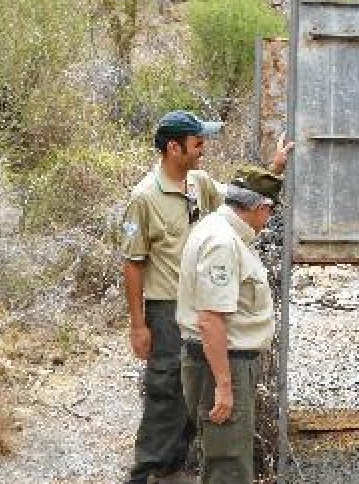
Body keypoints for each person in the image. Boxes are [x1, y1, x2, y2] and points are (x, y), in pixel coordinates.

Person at [119, 111, 288, 484]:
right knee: (166, 394)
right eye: (197, 143)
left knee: (197, 391)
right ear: (173, 147)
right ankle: (150, 471)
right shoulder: (144, 198)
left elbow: (239, 201)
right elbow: (132, 264)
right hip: (166, 307)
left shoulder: (198, 184)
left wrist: (273, 170)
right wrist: (138, 324)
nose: (203, 150)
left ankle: (180, 467)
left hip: (201, 302)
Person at [176, 166, 283, 484]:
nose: (267, 223)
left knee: (224, 453)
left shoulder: (217, 226)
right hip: (223, 362)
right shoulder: (223, 242)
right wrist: (224, 386)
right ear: (261, 208)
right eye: (269, 214)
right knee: (228, 462)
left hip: (219, 359)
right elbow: (211, 320)